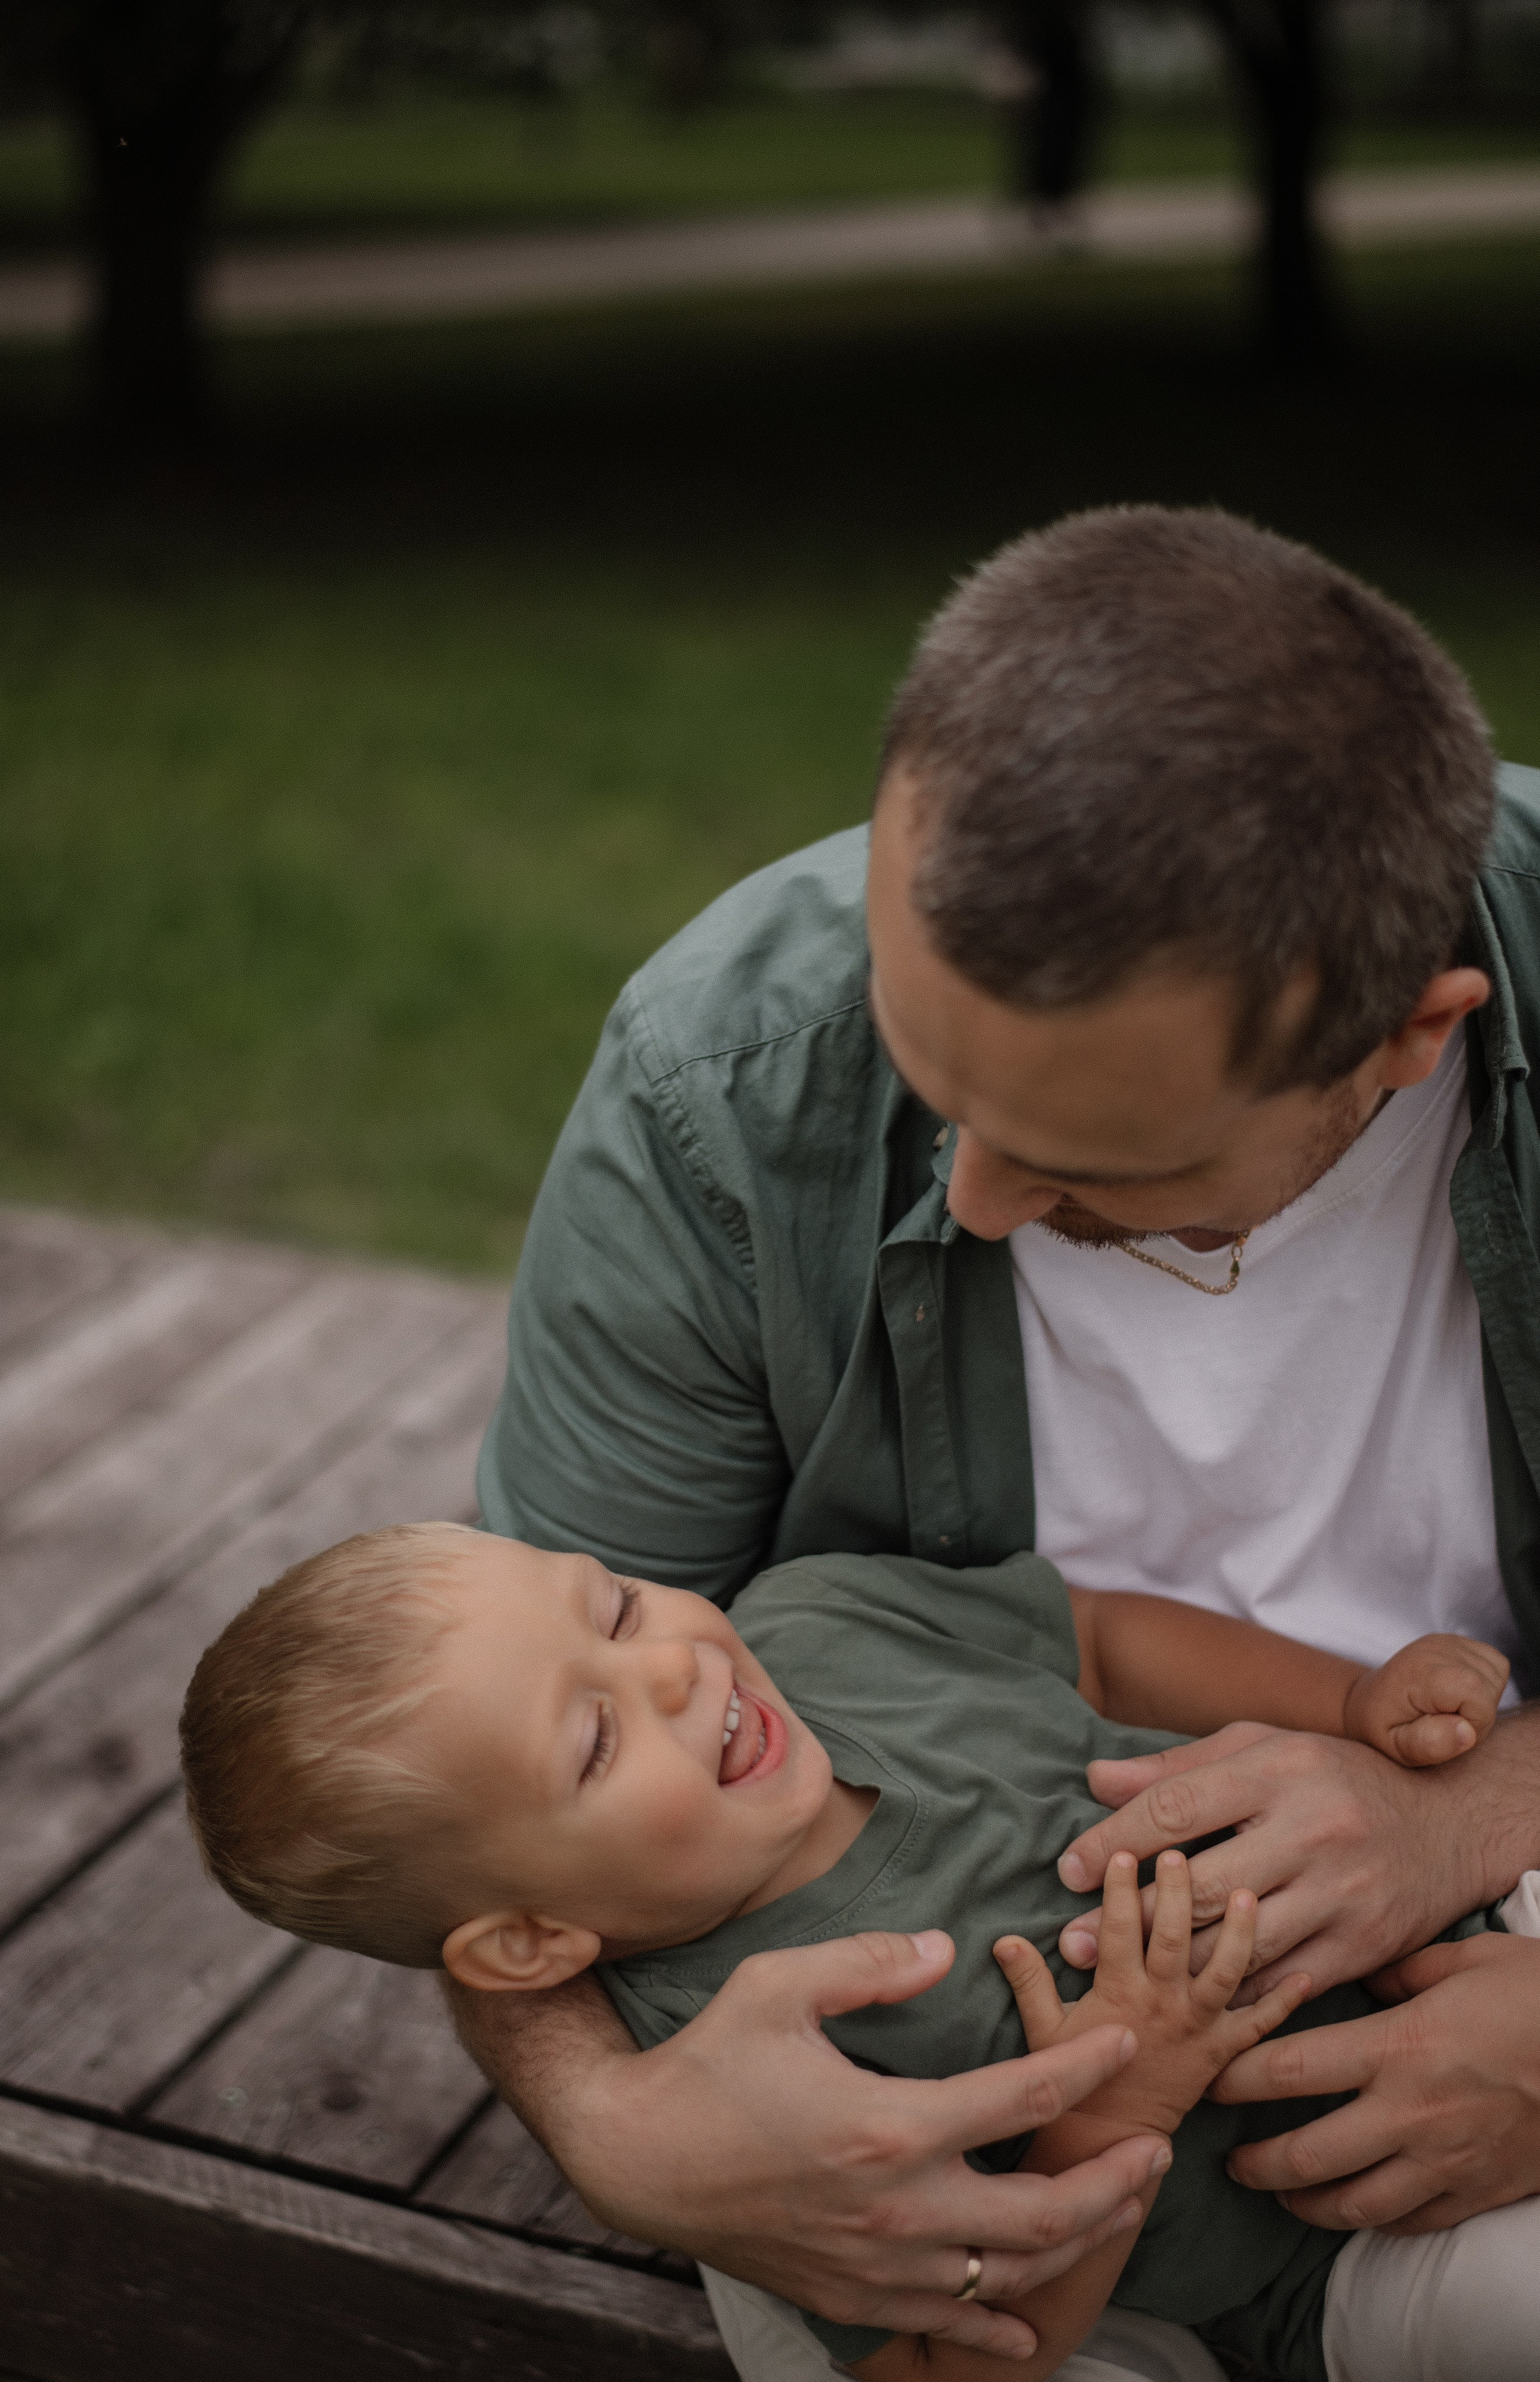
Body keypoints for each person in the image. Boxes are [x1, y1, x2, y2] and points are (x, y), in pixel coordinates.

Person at [464, 508, 1540, 2378]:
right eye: (929, 1074)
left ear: (1408, 1037)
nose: (967, 1201)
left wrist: (1473, 1812)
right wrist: (616, 2126)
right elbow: (485, 1757)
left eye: (1088, 1159)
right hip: (939, 2070)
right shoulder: (718, 1082)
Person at [178, 1522, 1532, 2382]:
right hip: (1334, 2256)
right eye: (593, 1740)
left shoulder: (821, 1619)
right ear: (531, 1937)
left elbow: (1100, 1642)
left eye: (614, 1609)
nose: (673, 1668)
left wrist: (1349, 1702)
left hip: (1474, 1921)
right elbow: (952, 2370)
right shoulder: (729, 2076)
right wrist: (1118, 2109)